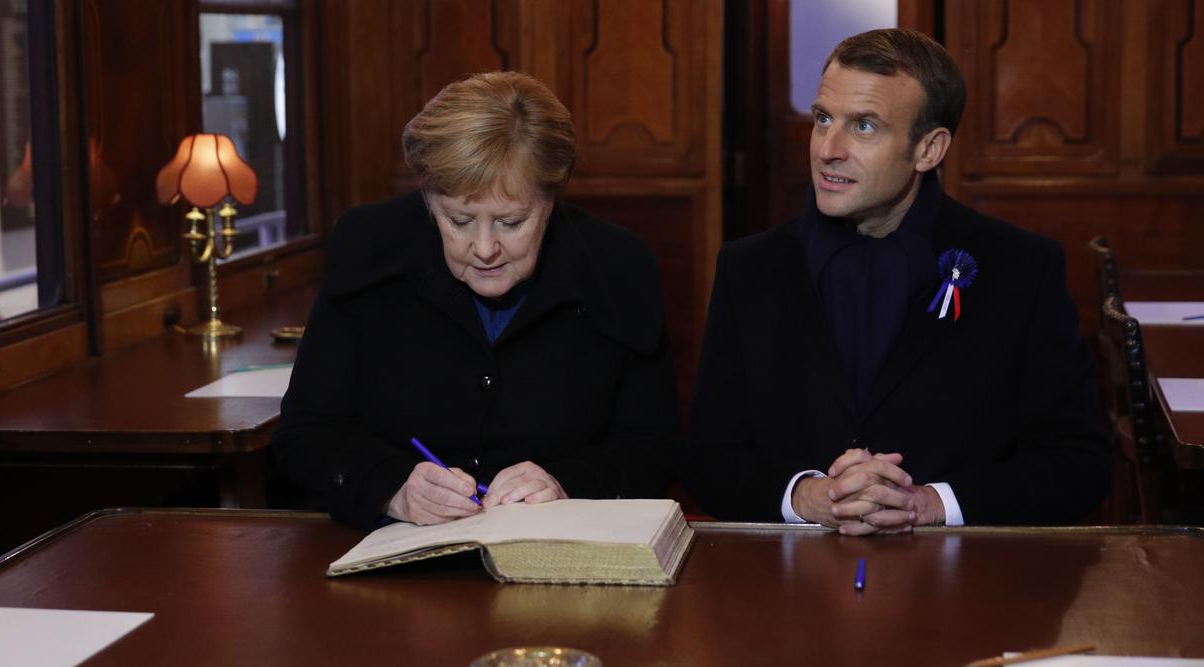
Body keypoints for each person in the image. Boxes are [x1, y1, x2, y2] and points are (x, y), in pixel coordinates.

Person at [684, 29, 1108, 533]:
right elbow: (707, 460)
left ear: (928, 149)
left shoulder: (1021, 267)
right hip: (788, 586)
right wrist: (808, 496)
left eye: (864, 126)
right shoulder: (748, 268)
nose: (827, 149)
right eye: (823, 119)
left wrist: (930, 504)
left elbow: (1078, 463)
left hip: (968, 590)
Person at [275, 71, 679, 530]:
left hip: (557, 556)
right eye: (460, 220)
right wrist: (393, 489)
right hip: (395, 554)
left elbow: (654, 446)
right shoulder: (366, 246)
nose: (485, 248)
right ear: (428, 198)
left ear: (551, 199)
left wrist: (566, 484)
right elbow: (306, 432)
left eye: (511, 222)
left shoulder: (618, 265)